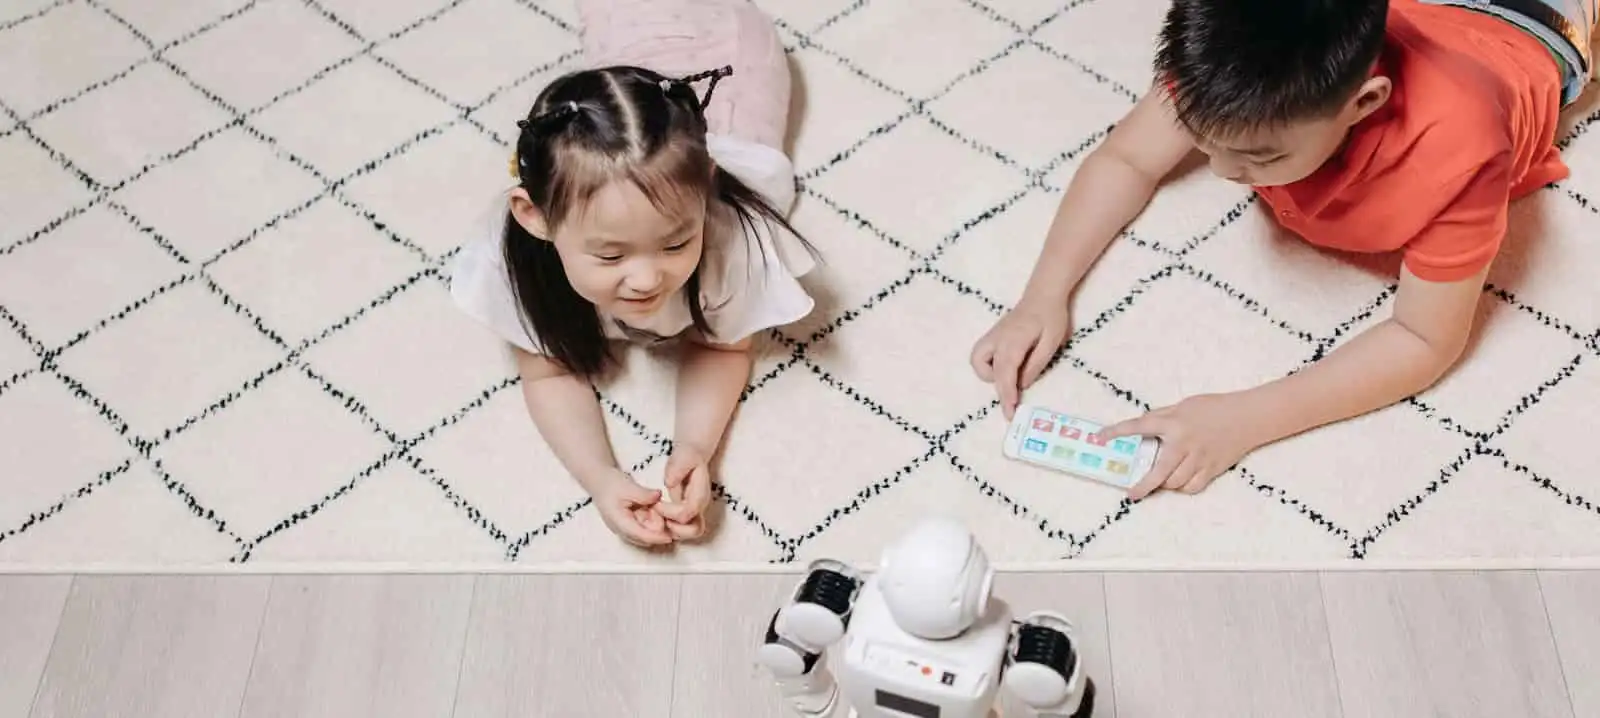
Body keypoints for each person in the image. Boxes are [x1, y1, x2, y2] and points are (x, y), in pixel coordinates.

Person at [971, 0, 1596, 500]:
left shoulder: (1460, 148)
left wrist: (1244, 419)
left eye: (1260, 156)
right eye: (1200, 138)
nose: (1218, 170)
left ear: (1366, 102)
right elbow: (1128, 157)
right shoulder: (1224, 56)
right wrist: (1041, 296)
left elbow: (1425, 339)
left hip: (1533, 21)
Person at [449, 0, 817, 547]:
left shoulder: (733, 241)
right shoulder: (514, 254)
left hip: (733, 60)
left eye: (675, 242)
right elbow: (547, 371)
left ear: (706, 187)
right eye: (611, 257)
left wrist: (694, 449)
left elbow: (724, 348)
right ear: (535, 217)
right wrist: (601, 478)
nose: (646, 280)